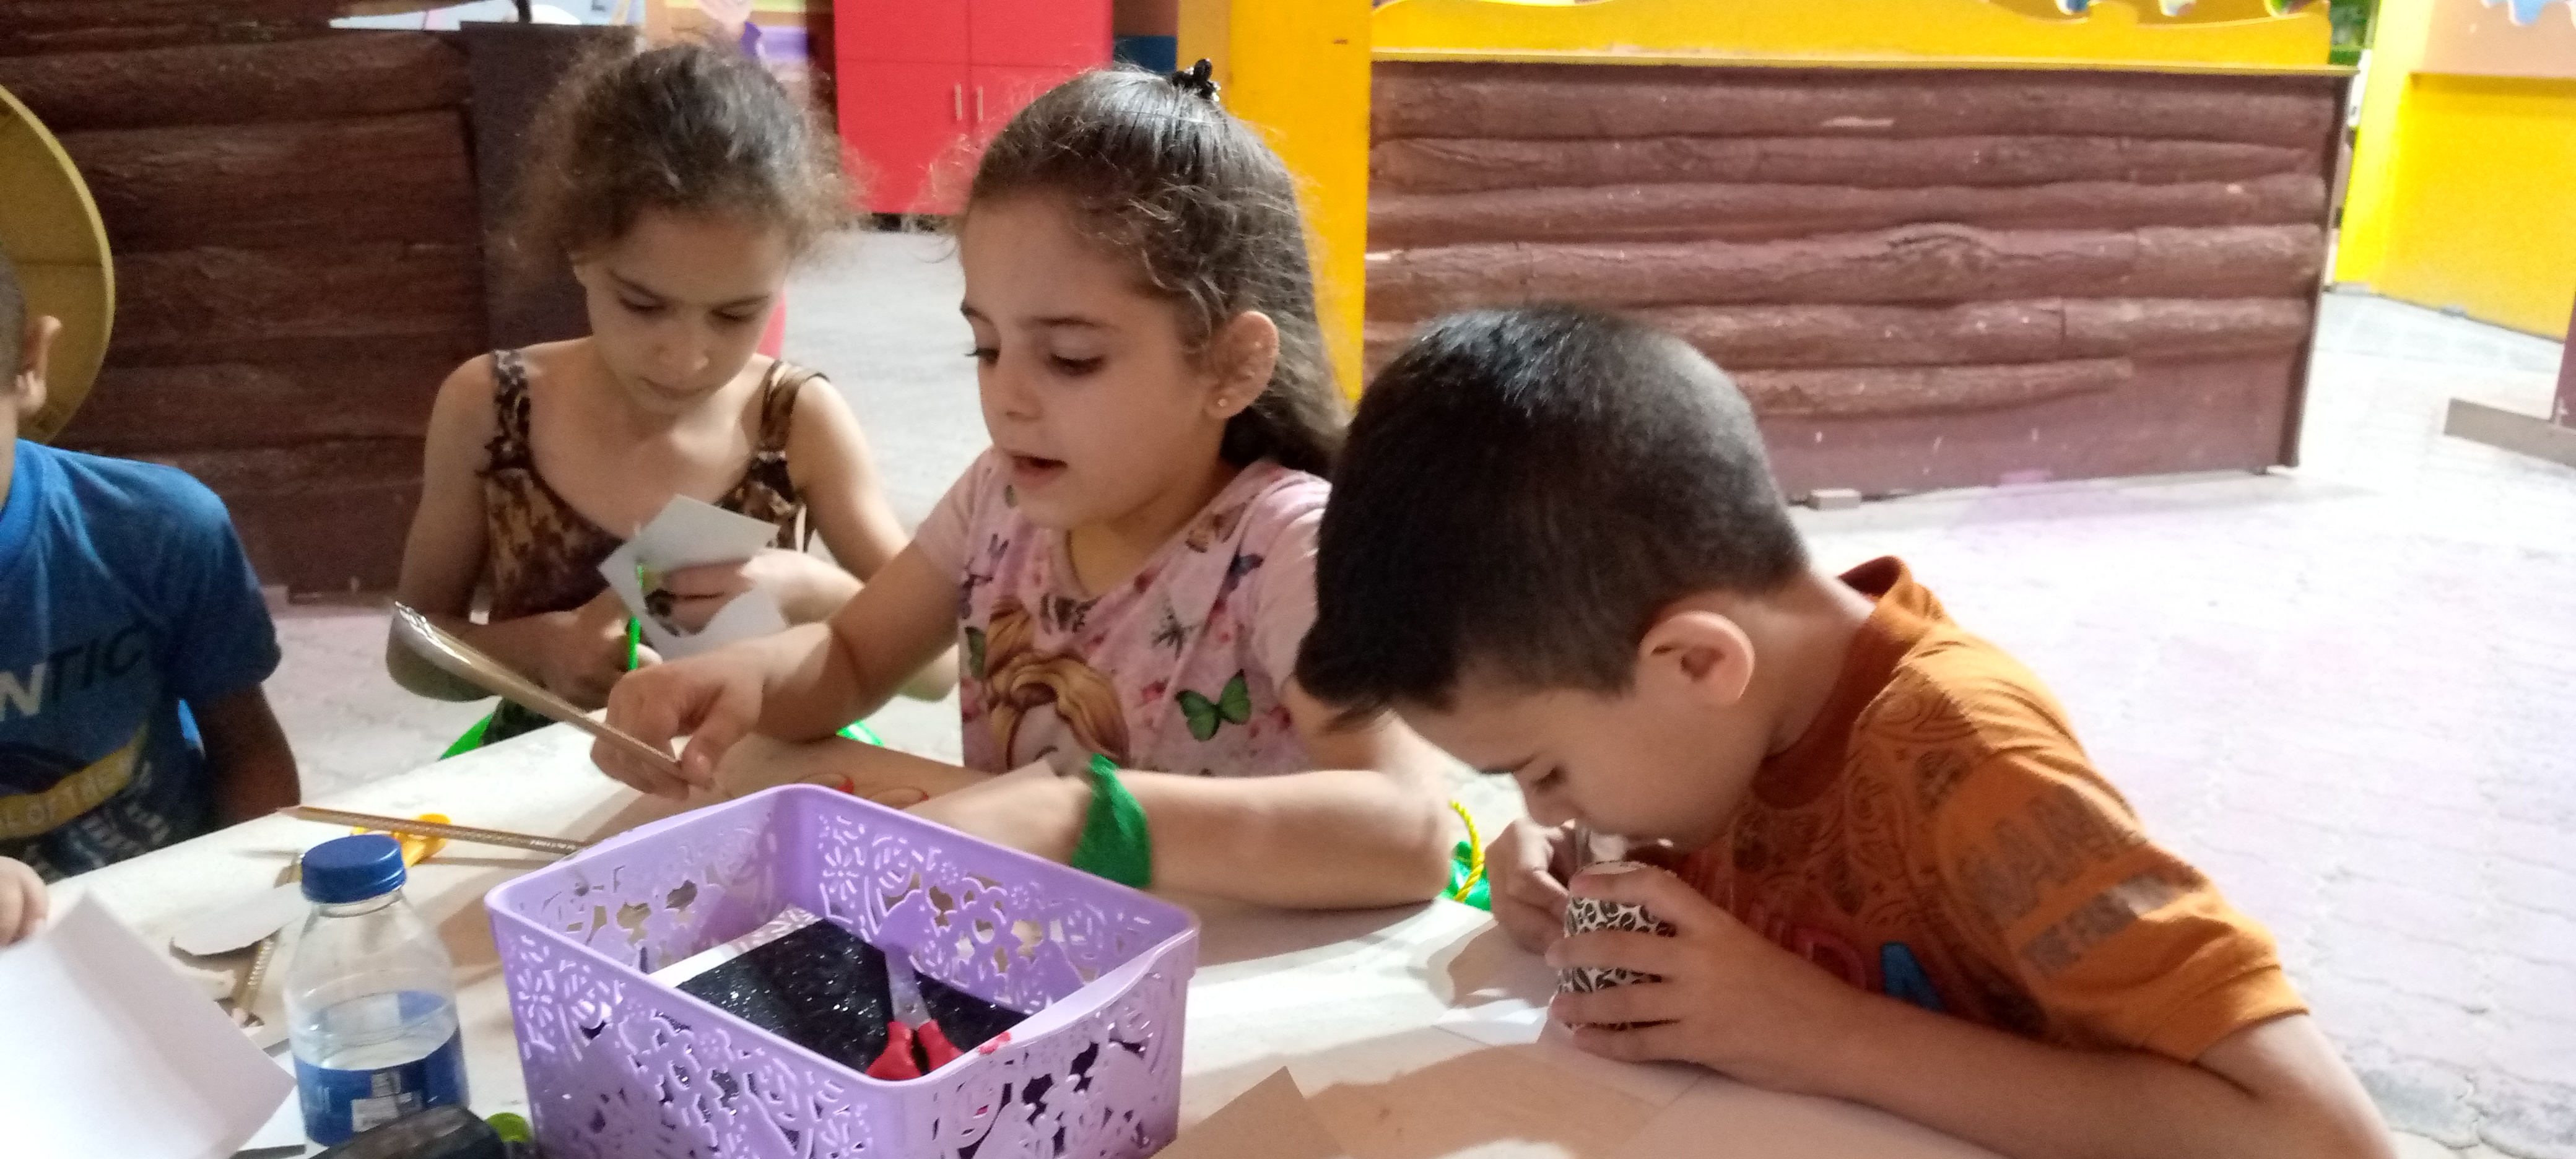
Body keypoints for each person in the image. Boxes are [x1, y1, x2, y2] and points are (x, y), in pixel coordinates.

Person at [1292, 306, 2392, 1159]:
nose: (1543, 808)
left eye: (1543, 771)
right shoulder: (1720, 729)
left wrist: (1823, 1034)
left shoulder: (1970, 760)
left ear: (1697, 661)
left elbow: (2323, 1136)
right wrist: (1553, 862)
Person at [594, 65, 1456, 910]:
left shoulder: (1290, 545)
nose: (1007, 396)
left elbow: (1413, 831)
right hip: (1030, 950)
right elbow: (853, 658)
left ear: (1230, 366)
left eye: (1071, 357)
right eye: (988, 347)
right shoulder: (998, 500)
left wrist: (1076, 813)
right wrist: (753, 674)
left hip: (1225, 972)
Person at [390, 39, 951, 745]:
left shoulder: (795, 421)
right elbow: (412, 650)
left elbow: (941, 670)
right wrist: (543, 650)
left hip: (747, 771)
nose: (687, 358)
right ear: (580, 248)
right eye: (644, 305)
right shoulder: (491, 409)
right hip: (540, 766)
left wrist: (815, 591)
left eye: (736, 315)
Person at [0, 253, 301, 946]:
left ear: (29, 363)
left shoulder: (156, 530)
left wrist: (253, 916)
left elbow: (247, 748)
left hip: (173, 909)